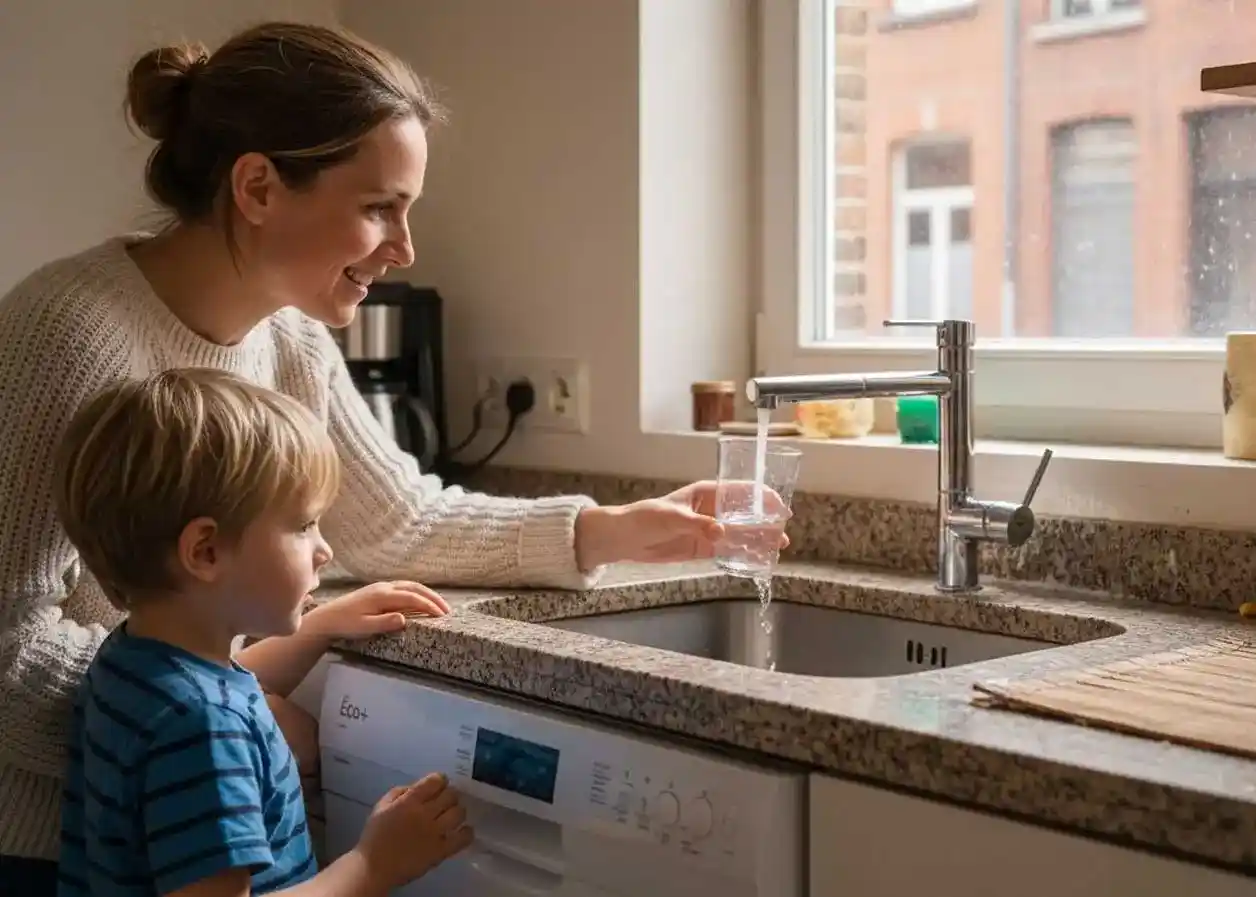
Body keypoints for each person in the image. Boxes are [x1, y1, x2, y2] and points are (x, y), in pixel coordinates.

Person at [0, 20, 778, 887]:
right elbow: (6, 640)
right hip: (47, 843)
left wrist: (610, 531)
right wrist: (229, 712)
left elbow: (398, 520)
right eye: (379, 208)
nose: (405, 249)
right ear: (258, 184)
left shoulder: (287, 335)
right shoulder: (64, 334)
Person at [54, 367, 472, 897]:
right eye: (303, 525)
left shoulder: (132, 660)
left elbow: (220, 690)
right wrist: (373, 864)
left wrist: (317, 627)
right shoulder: (204, 730)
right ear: (205, 551)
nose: (325, 550)